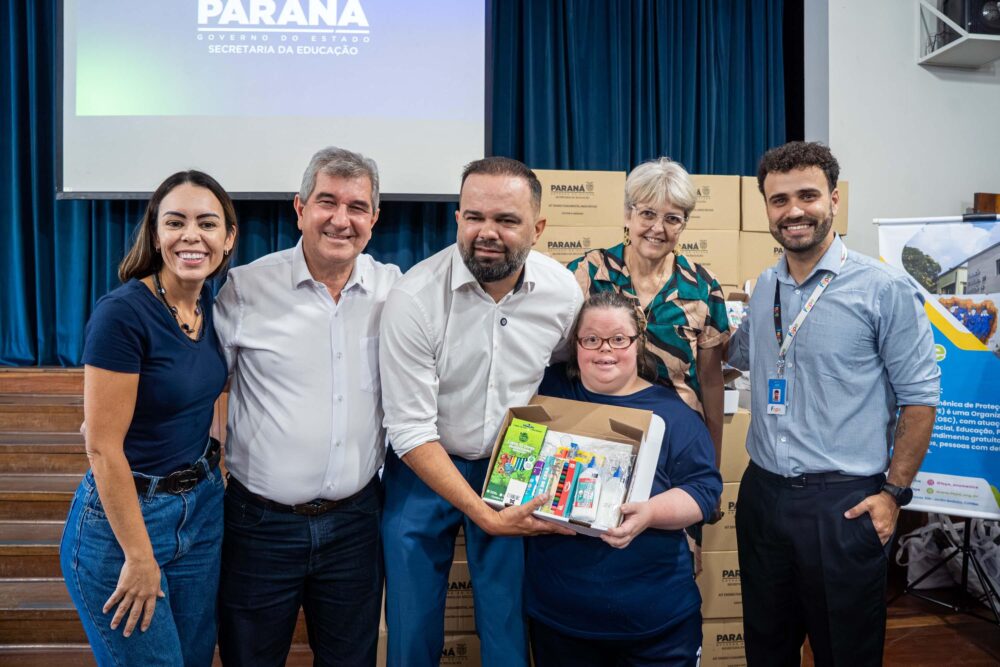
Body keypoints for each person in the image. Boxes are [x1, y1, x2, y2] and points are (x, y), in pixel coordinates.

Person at [728, 141, 940, 666]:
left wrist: (894, 493)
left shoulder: (884, 289)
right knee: (767, 649)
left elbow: (920, 401)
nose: (794, 211)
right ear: (767, 208)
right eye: (779, 200)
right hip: (763, 497)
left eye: (807, 195)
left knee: (845, 652)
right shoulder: (764, 288)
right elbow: (734, 357)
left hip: (843, 504)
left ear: (834, 200)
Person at [379, 156, 583, 667]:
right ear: (457, 218)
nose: (486, 233)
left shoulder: (562, 293)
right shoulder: (414, 298)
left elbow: (561, 371)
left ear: (537, 228)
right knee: (411, 625)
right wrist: (479, 512)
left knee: (508, 621)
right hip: (423, 465)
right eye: (473, 217)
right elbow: (408, 428)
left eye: (506, 220)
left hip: (512, 465)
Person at [215, 147, 400, 666]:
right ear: (299, 209)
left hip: (356, 524)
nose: (341, 220)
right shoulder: (247, 288)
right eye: (326, 202)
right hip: (259, 526)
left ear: (375, 218)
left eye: (357, 206)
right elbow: (208, 385)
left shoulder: (395, 290)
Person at [60, 171, 238, 666]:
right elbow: (101, 447)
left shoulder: (209, 306)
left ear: (228, 237)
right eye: (175, 222)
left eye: (207, 223)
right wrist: (139, 556)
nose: (191, 235)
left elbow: (209, 392)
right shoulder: (123, 314)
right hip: (125, 525)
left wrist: (216, 463)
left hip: (200, 512)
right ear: (156, 235)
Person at [525, 290, 722, 667]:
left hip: (654, 624)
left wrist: (649, 513)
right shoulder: (547, 396)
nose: (605, 351)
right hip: (560, 620)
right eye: (591, 340)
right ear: (576, 344)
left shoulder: (673, 416)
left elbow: (704, 491)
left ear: (638, 343)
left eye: (618, 339)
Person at [567, 158, 730, 458]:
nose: (658, 228)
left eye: (672, 218)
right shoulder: (588, 273)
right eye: (648, 214)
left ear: (684, 224)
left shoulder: (703, 287)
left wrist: (712, 461)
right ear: (628, 215)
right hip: (597, 437)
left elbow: (710, 381)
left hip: (675, 441)